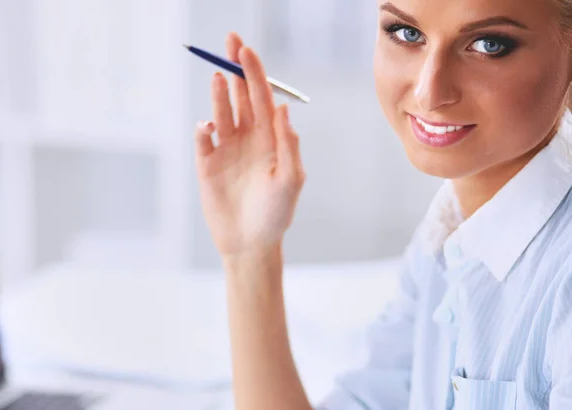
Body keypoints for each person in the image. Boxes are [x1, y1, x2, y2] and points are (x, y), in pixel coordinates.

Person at [193, 0, 572, 408]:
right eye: (407, 34)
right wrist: (250, 256)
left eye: (489, 44)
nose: (429, 92)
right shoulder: (445, 237)